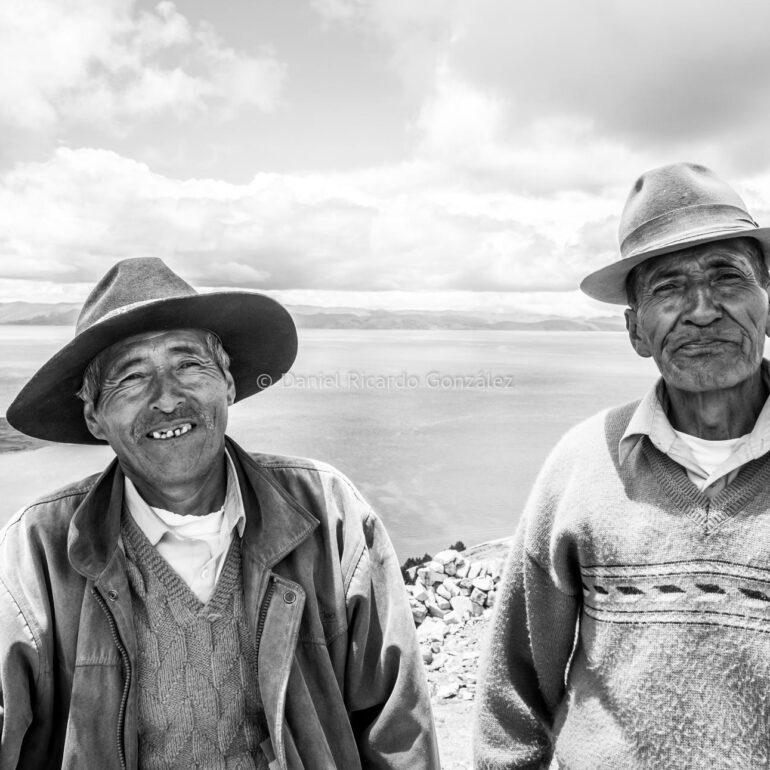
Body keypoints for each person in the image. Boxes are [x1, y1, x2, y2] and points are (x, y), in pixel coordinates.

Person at [0, 258, 440, 770]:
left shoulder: (328, 512)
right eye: (131, 378)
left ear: (227, 383)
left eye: (188, 365)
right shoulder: (40, 550)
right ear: (95, 417)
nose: (167, 399)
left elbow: (398, 727)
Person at [473, 162, 770, 768]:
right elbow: (515, 687)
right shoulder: (583, 464)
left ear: (767, 301)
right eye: (668, 288)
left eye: (728, 278)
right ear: (636, 330)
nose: (703, 309)